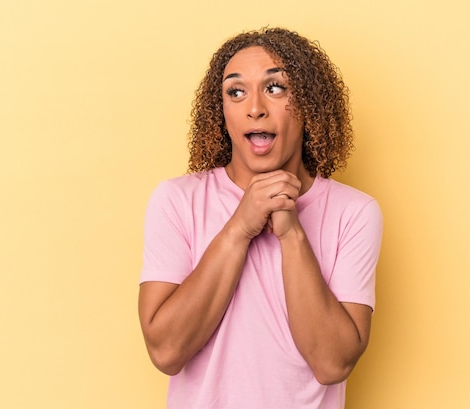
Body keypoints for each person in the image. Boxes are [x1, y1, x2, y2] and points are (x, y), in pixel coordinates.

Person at [138, 27, 383, 409]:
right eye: (236, 92)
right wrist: (239, 227)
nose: (255, 107)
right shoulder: (176, 200)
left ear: (310, 104)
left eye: (275, 88)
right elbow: (166, 352)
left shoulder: (354, 212)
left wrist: (292, 235)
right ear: (221, 113)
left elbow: (333, 364)